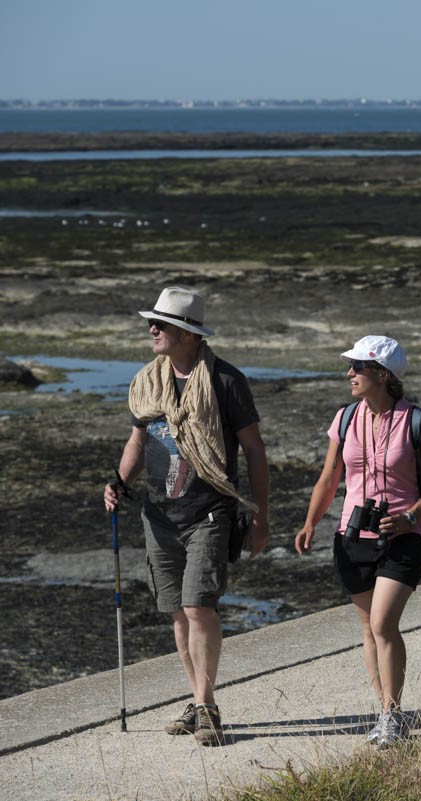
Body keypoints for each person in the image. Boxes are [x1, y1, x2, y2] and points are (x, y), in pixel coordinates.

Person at [103, 287, 270, 747]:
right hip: (158, 514)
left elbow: (254, 450)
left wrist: (259, 514)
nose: (152, 329)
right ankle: (199, 701)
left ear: (189, 334)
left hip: (210, 510)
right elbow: (138, 440)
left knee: (200, 606)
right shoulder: (148, 381)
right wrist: (118, 481)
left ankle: (208, 706)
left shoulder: (225, 382)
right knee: (178, 611)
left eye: (162, 324)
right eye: (151, 322)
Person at [294, 334, 421, 748]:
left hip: (404, 536)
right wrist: (310, 522)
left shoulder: (418, 421)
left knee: (383, 624)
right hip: (351, 536)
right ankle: (383, 712)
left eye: (358, 367)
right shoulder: (345, 418)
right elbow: (330, 478)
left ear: (382, 374)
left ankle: (393, 715)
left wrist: (410, 515)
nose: (350, 373)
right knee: (368, 629)